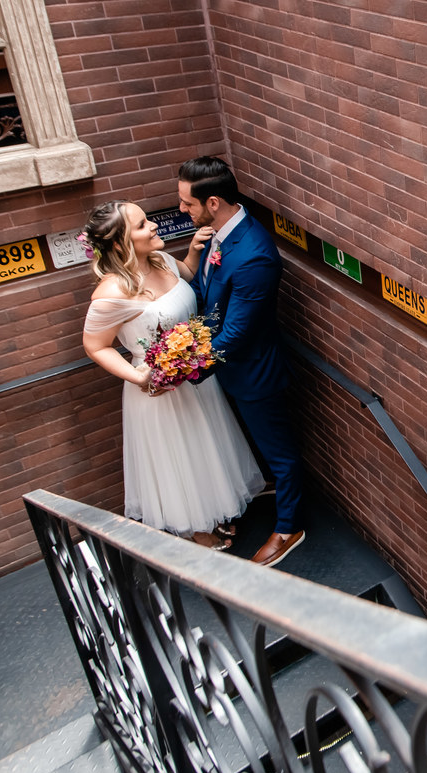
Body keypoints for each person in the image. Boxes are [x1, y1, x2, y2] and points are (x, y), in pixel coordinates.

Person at [80, 200, 265, 548]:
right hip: (158, 392)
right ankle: (196, 528)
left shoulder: (163, 261)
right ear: (120, 243)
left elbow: (188, 278)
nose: (153, 227)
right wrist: (140, 378)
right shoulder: (111, 294)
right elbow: (96, 346)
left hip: (195, 380)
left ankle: (216, 510)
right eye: (141, 225)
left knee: (206, 445)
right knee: (180, 458)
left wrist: (194, 251)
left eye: (148, 220)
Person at [177, 156, 305, 567]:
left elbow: (236, 333)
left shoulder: (253, 255)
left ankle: (289, 528)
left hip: (255, 375)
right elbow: (206, 291)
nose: (182, 210)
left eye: (187, 204)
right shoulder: (217, 235)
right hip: (229, 371)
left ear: (213, 202)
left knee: (282, 456)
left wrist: (185, 369)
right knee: (263, 450)